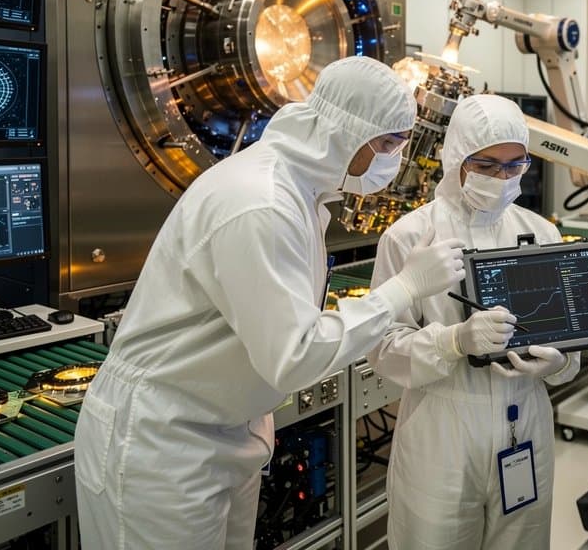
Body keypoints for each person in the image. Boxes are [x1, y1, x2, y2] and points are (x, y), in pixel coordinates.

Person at [74, 56, 467, 550]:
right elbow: (294, 355)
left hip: (223, 431)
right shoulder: (260, 201)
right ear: (348, 134)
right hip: (161, 444)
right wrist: (403, 290)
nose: (394, 159)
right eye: (388, 144)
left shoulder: (300, 192)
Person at [367, 93, 580, 550]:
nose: (501, 178)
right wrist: (453, 341)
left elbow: (572, 341)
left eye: (514, 165)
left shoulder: (542, 232)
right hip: (442, 430)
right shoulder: (408, 237)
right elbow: (383, 349)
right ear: (456, 158)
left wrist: (559, 364)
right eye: (486, 165)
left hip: (526, 425)